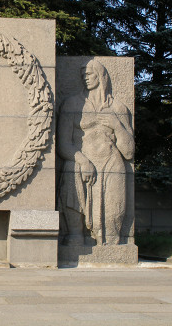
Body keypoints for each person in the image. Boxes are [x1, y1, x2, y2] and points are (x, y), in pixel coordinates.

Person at [58, 59, 134, 245]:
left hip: (111, 163)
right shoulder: (72, 104)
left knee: (112, 220)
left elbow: (129, 152)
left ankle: (110, 237)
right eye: (83, 75)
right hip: (81, 161)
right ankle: (75, 234)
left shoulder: (118, 108)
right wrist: (82, 160)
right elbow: (63, 144)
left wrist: (117, 126)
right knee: (71, 168)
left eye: (89, 74)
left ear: (101, 76)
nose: (85, 78)